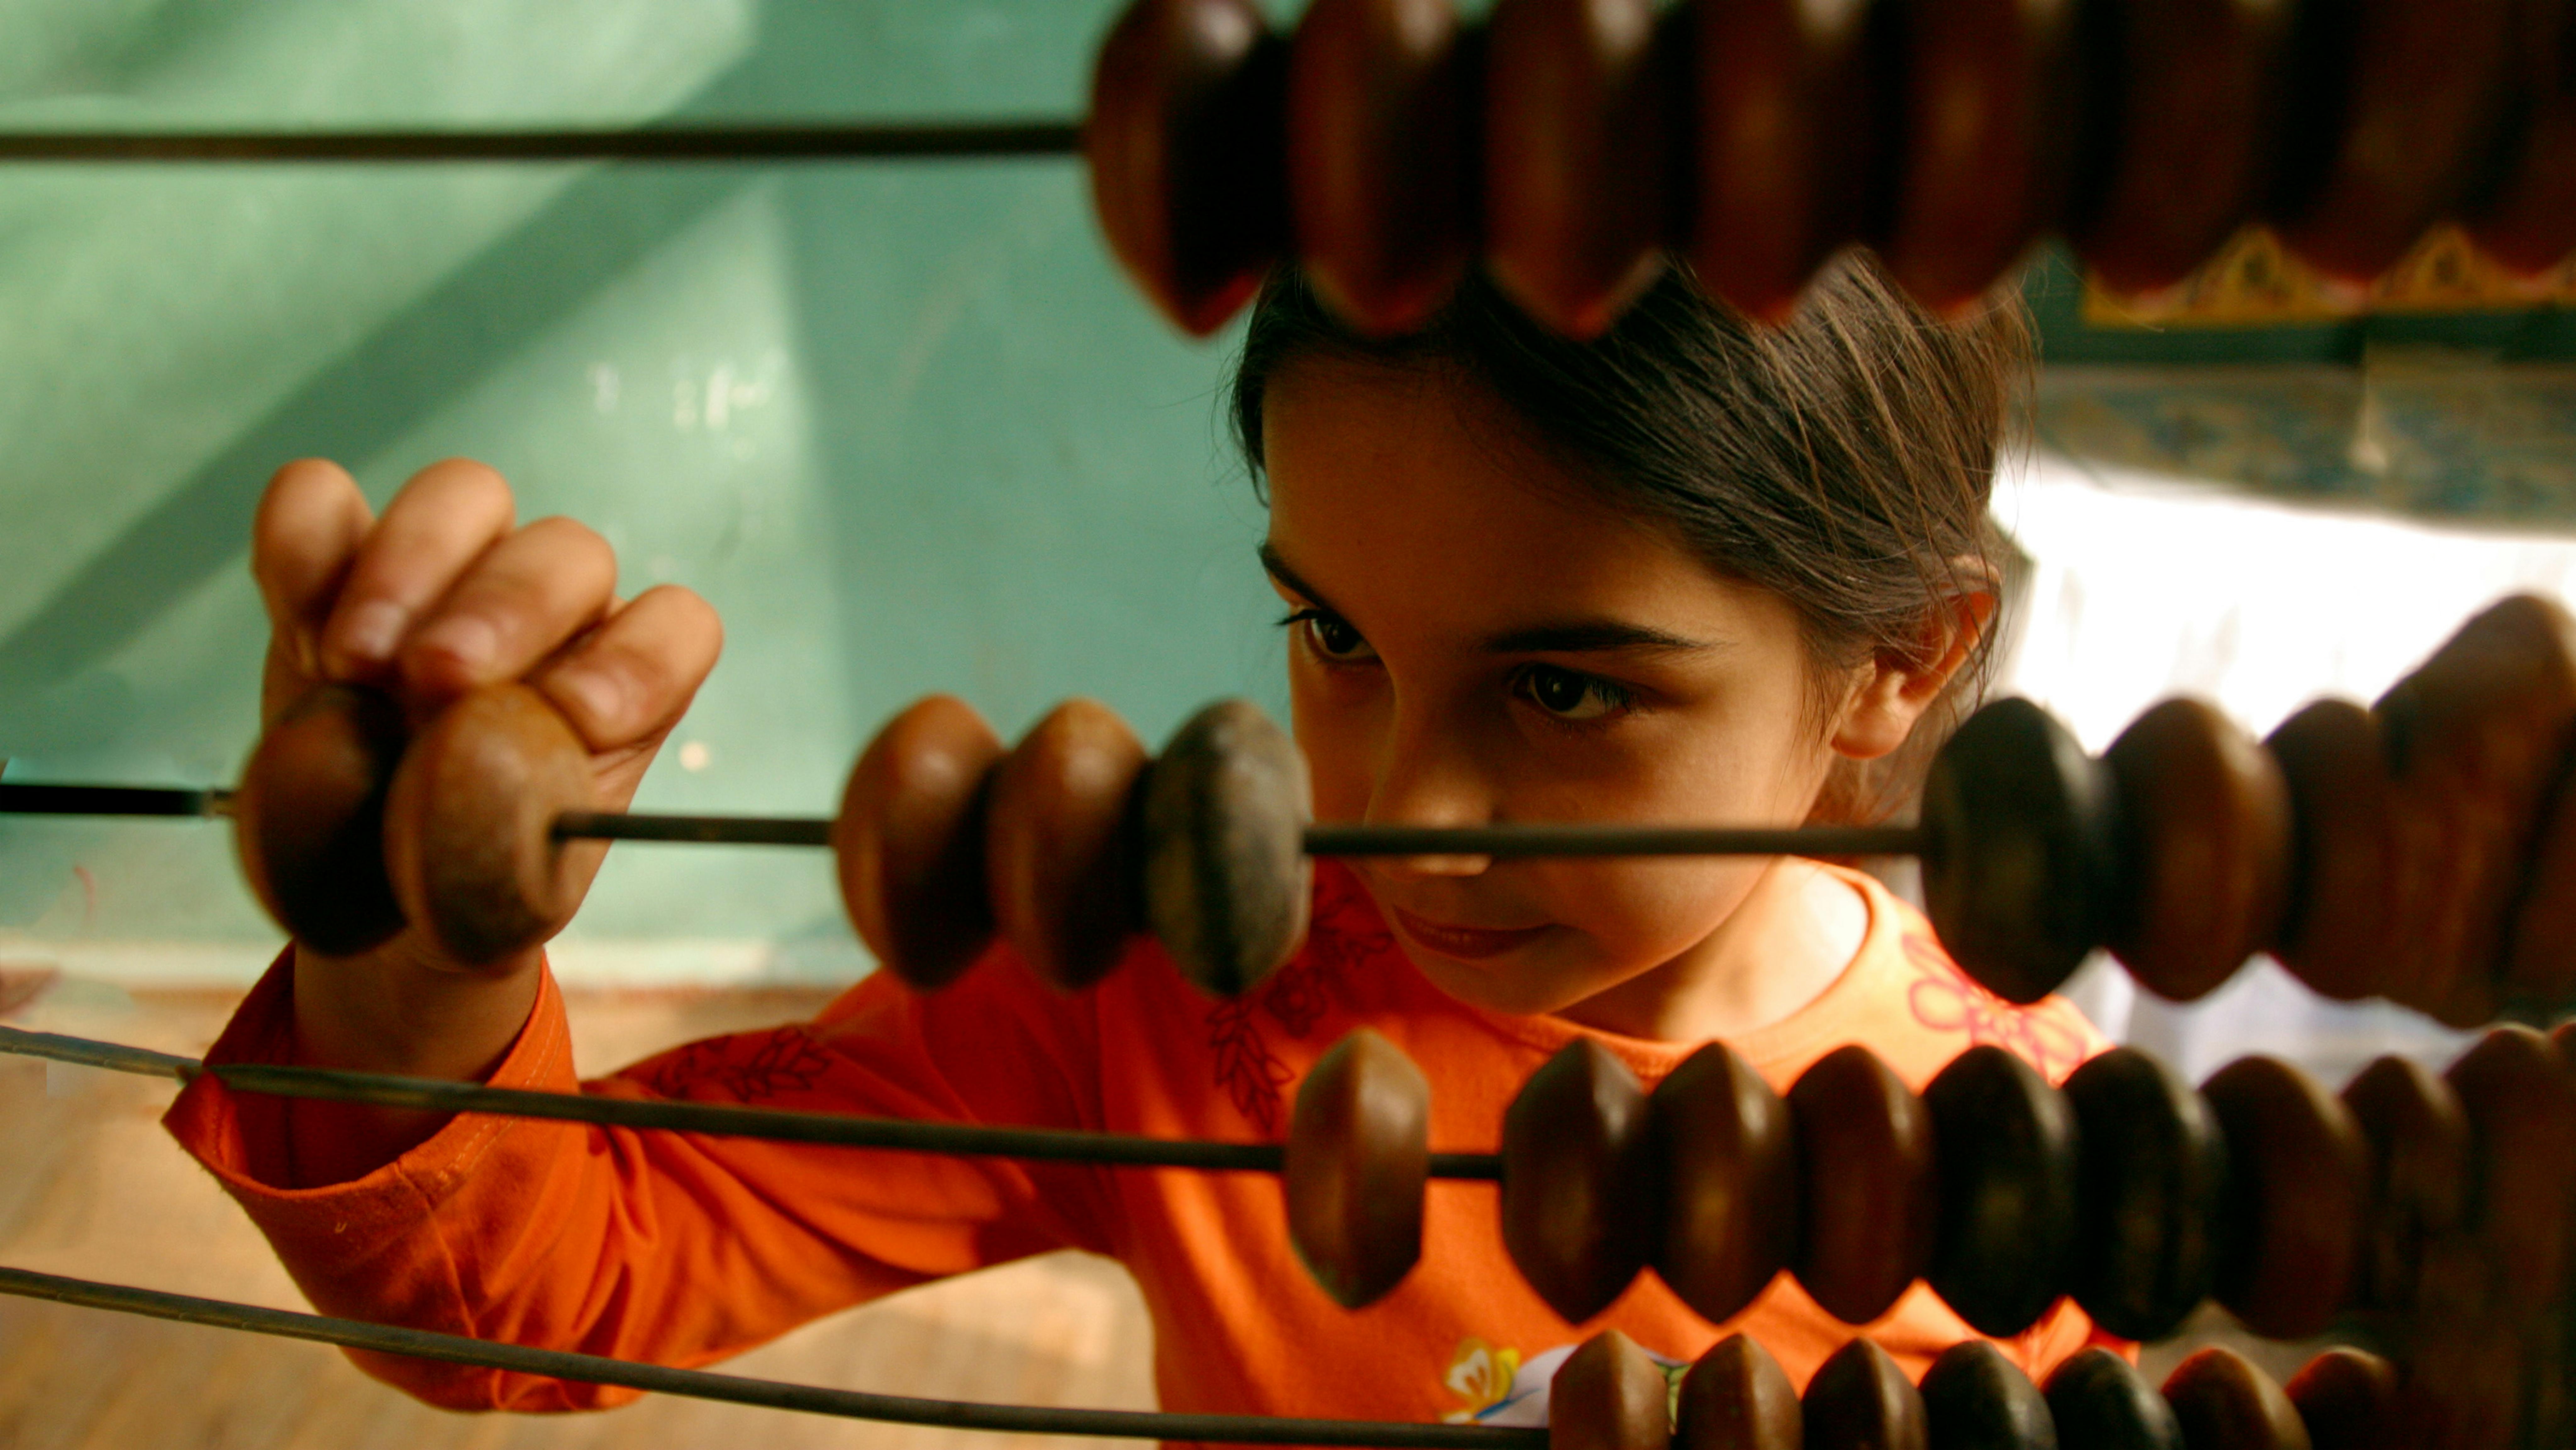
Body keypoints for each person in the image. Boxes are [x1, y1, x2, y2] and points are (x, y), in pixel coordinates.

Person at [165, 255, 2117, 1428]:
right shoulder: (1183, 995)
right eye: (1335, 637)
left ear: (1894, 664)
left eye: (1567, 691)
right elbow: (549, 1287)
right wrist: (414, 959)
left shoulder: (2012, 1170)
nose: (1403, 817)